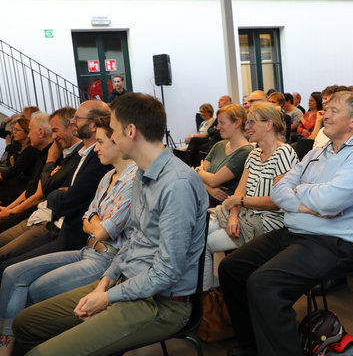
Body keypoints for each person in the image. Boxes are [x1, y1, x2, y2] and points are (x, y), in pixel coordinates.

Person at [12, 92, 208, 356]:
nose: (109, 138)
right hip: (128, 284)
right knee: (26, 322)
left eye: (113, 131)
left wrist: (106, 298)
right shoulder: (142, 172)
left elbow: (167, 273)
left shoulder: (177, 183)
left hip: (161, 304)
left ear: (130, 131)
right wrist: (106, 282)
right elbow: (134, 240)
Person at [218, 91, 353, 356]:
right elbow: (279, 191)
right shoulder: (318, 152)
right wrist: (311, 202)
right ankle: (254, 346)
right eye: (325, 109)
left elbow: (329, 201)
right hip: (296, 231)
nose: (324, 115)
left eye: (333, 111)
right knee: (231, 268)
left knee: (264, 284)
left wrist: (304, 195)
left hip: (335, 242)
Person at [0, 116, 137, 356]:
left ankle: (17, 344)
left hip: (108, 259)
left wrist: (93, 221)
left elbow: (103, 230)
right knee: (12, 272)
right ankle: (6, 346)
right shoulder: (108, 177)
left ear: (119, 143)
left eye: (102, 142)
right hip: (87, 249)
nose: (96, 147)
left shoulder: (134, 178)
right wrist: (94, 221)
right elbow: (88, 216)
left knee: (33, 291)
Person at [0, 101, 111, 276]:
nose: (73, 122)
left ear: (92, 125)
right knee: (6, 263)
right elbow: (45, 189)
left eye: (77, 118)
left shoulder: (93, 158)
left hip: (64, 231)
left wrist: (52, 169)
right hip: (54, 224)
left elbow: (51, 194)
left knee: (9, 270)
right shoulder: (79, 154)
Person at [203, 102, 298, 290]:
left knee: (203, 244)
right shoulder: (254, 154)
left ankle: (209, 302)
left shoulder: (284, 153)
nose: (247, 128)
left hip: (269, 223)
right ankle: (213, 296)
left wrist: (239, 202)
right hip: (244, 213)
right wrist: (232, 215)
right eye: (247, 123)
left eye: (251, 123)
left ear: (269, 125)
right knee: (197, 231)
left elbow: (276, 202)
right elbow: (240, 190)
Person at [195, 104, 253, 206]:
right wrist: (209, 188)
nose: (217, 127)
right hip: (205, 201)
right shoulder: (219, 145)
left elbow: (214, 180)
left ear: (237, 123)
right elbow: (197, 177)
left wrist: (198, 171)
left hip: (225, 207)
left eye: (222, 123)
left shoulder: (246, 151)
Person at [0, 118, 39, 205]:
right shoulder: (20, 146)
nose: (13, 132)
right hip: (19, 181)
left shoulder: (31, 150)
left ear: (26, 133)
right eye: (13, 129)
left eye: (16, 130)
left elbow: (15, 170)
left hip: (23, 187)